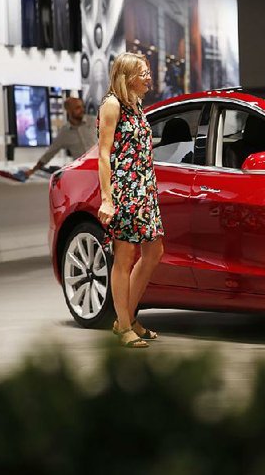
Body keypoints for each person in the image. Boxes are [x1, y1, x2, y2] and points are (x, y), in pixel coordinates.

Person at [97, 52, 164, 348]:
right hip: (125, 190)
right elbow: (103, 153)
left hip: (145, 188)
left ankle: (127, 316)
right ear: (127, 77)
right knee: (124, 259)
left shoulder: (135, 105)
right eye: (143, 73)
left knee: (154, 253)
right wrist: (107, 198)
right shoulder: (112, 105)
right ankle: (124, 324)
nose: (149, 78)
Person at [24, 97, 96, 178]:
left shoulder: (94, 122)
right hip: (85, 175)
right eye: (77, 108)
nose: (82, 110)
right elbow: (49, 154)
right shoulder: (65, 133)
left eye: (82, 106)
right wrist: (33, 171)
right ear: (68, 110)